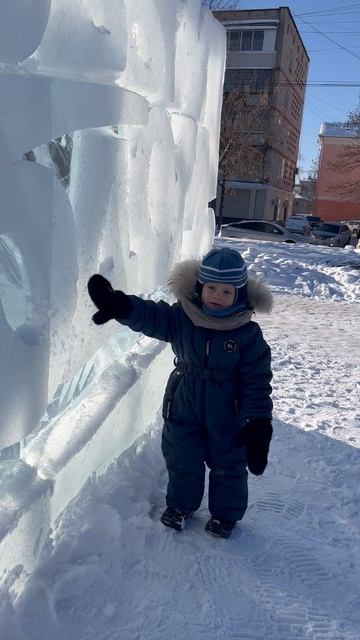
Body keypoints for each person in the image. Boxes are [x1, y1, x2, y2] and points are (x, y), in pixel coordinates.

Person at [88, 247, 273, 539]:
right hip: (183, 400)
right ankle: (180, 506)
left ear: (239, 295)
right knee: (182, 457)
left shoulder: (247, 334)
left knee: (228, 463)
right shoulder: (183, 317)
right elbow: (152, 316)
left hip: (228, 409)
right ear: (200, 287)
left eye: (227, 291)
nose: (217, 296)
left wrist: (259, 421)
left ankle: (225, 516)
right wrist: (122, 306)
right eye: (211, 288)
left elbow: (257, 380)